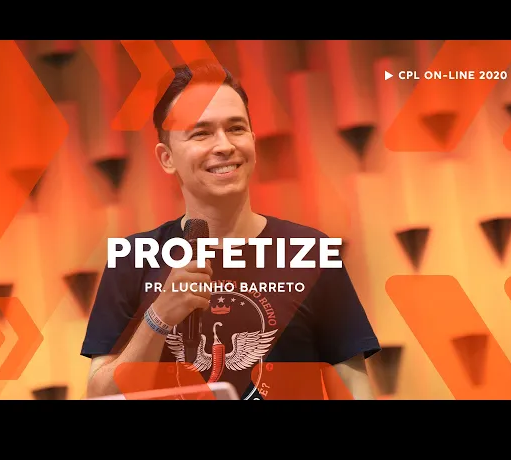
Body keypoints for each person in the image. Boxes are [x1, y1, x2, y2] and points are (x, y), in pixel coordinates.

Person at [81, 61, 381, 400]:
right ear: (167, 158)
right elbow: (99, 397)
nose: (224, 145)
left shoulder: (310, 251)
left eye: (236, 128)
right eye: (201, 133)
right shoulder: (132, 259)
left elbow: (355, 390)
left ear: (253, 140)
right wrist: (158, 317)